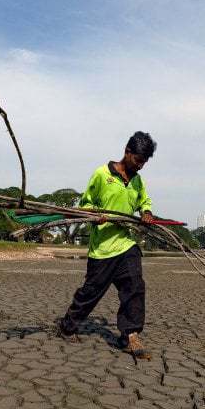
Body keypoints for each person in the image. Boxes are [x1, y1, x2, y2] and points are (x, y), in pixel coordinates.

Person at [57, 131, 157, 358]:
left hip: (125, 245)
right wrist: (94, 214)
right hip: (102, 249)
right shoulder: (102, 174)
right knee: (90, 293)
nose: (140, 166)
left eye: (144, 162)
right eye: (138, 160)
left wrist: (147, 212)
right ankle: (67, 325)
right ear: (127, 151)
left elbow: (144, 200)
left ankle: (130, 336)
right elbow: (85, 204)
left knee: (135, 287)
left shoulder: (137, 181)